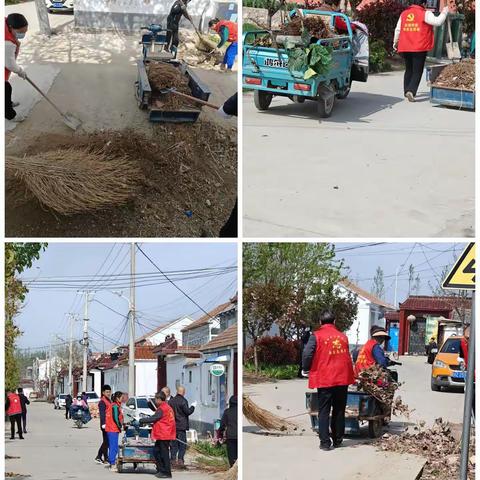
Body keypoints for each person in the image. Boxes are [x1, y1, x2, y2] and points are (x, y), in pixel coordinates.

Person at [302, 311, 354, 451]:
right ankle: (338, 439)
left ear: (320, 322)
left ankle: (325, 442)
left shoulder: (316, 336)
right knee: (339, 409)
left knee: (324, 410)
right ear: (334, 321)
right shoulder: (343, 337)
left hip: (325, 378)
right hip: (342, 378)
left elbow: (307, 353)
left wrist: (306, 368)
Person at [394, 0, 449, 101]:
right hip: (419, 47)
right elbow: (437, 22)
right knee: (417, 71)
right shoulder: (425, 13)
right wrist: (445, 12)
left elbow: (398, 29)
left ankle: (406, 90)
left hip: (405, 46)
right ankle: (411, 90)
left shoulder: (404, 14)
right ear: (423, 3)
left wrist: (395, 43)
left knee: (409, 69)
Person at [139, 390, 176, 478]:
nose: (155, 401)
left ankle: (166, 472)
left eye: (155, 399)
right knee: (156, 451)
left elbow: (154, 418)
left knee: (164, 454)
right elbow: (160, 419)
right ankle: (161, 469)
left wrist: (141, 420)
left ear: (159, 399)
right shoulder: (167, 407)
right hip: (165, 433)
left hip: (164, 434)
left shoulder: (162, 408)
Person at [5, 13, 28, 122]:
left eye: (25, 32)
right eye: (20, 32)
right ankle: (10, 115)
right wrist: (20, 72)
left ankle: (8, 103)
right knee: (5, 89)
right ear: (10, 27)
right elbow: (9, 63)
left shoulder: (5, 24)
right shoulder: (7, 43)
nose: (23, 34)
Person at [169, 385, 196, 469]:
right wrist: (193, 406)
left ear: (177, 391)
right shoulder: (183, 401)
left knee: (174, 444)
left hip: (173, 426)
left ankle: (173, 460)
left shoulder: (171, 401)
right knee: (182, 445)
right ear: (183, 392)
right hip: (181, 426)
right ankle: (180, 460)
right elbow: (187, 412)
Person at [105, 391, 124, 472]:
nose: (122, 399)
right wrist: (120, 426)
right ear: (117, 398)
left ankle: (111, 462)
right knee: (114, 447)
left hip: (111, 429)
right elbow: (115, 418)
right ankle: (112, 464)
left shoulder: (113, 405)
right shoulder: (115, 406)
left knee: (113, 446)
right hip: (112, 429)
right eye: (121, 398)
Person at [218, 395, 237, 467]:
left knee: (232, 456)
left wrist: (220, 435)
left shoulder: (227, 412)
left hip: (231, 437)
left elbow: (222, 425)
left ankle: (233, 469)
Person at [95, 384, 112, 465]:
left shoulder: (109, 400)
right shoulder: (102, 402)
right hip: (105, 424)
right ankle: (99, 456)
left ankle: (105, 458)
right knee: (106, 441)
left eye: (109, 392)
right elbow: (102, 414)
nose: (108, 393)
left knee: (107, 442)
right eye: (107, 392)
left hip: (109, 424)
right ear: (103, 392)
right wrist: (103, 424)